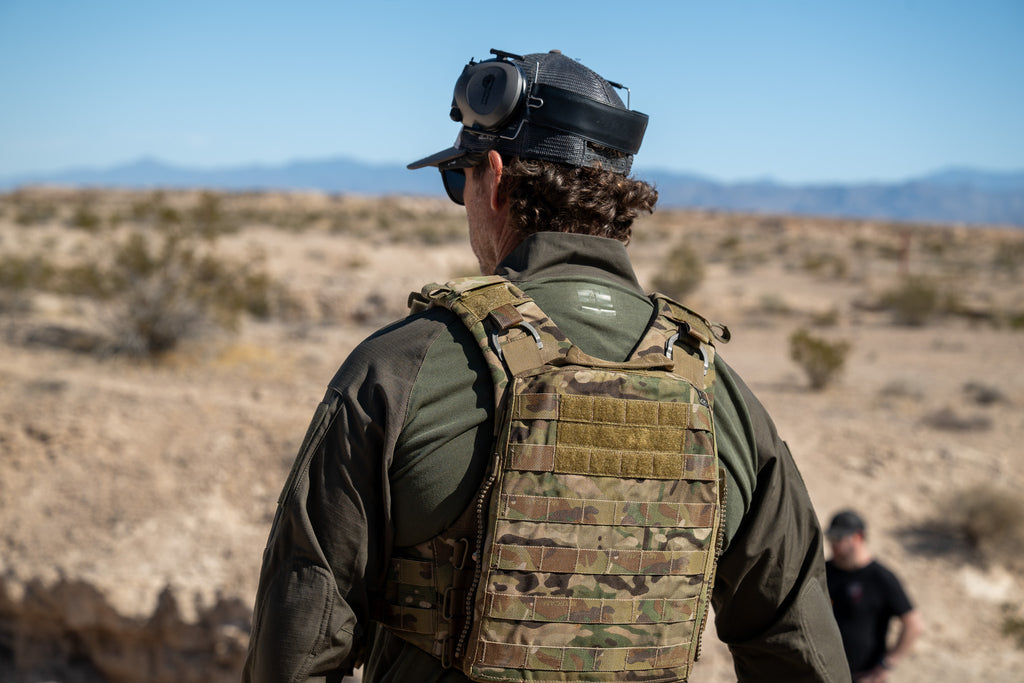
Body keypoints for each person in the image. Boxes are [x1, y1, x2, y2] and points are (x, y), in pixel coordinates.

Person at [243, 49, 850, 683]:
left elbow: (301, 638)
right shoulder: (719, 393)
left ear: (496, 177)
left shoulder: (400, 369)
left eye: (460, 179)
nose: (465, 200)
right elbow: (799, 644)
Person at [825, 510, 923, 682]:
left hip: (862, 676)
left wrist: (885, 666)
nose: (834, 544)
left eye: (839, 538)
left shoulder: (880, 578)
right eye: (831, 538)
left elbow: (913, 624)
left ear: (858, 537)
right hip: (822, 673)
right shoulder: (823, 571)